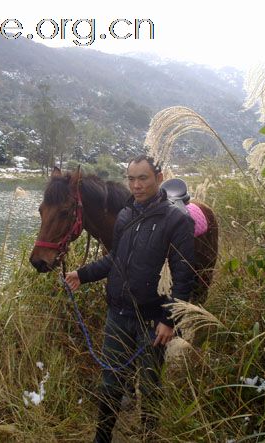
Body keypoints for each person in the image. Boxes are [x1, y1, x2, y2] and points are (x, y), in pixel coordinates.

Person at [65, 154, 195, 442]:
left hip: (152, 320)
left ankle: (149, 435)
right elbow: (116, 259)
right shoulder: (126, 214)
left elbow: (183, 277)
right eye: (131, 179)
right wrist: (82, 274)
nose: (136, 185)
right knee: (111, 382)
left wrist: (168, 320)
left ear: (158, 178)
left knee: (149, 385)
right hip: (117, 315)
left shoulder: (177, 220)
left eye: (143, 178)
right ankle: (102, 437)